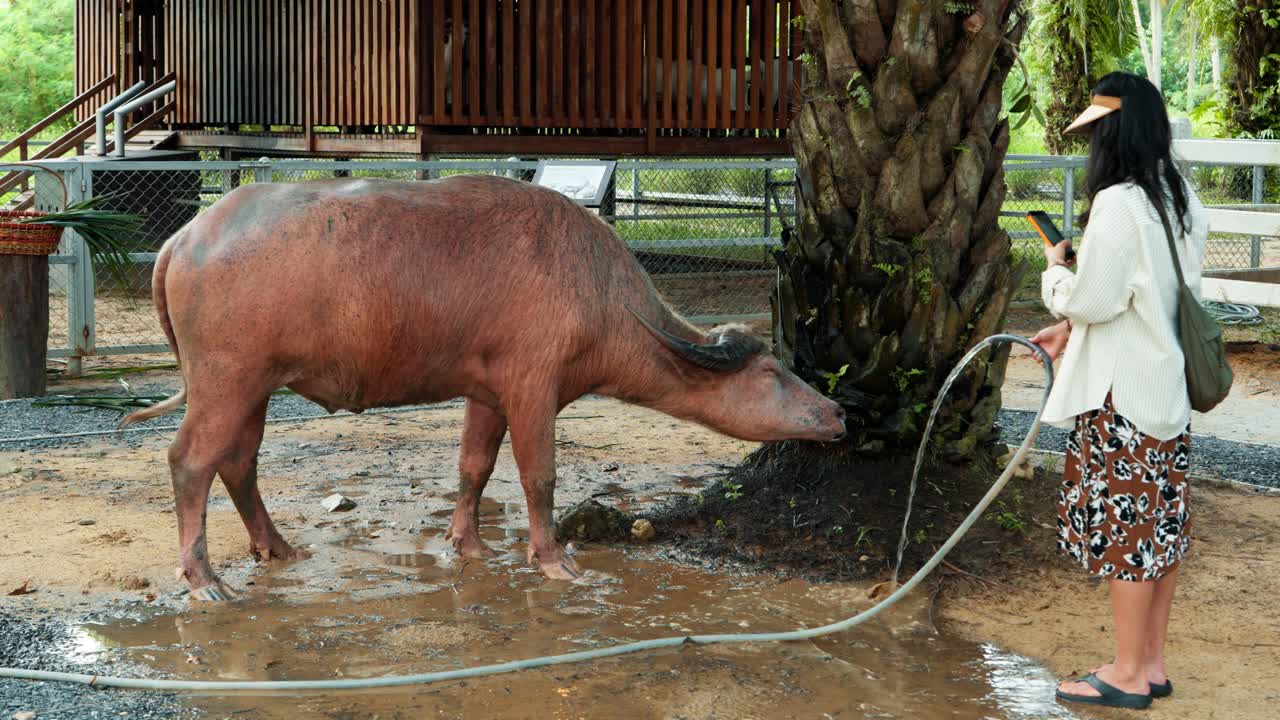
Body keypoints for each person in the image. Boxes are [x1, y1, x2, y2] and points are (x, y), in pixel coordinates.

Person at [1029, 71, 1208, 711]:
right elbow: (1148, 295)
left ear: (1111, 131)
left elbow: (1094, 299)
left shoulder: (1119, 203)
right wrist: (1071, 328)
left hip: (1121, 400)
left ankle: (1127, 673)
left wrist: (1055, 276)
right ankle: (1150, 663)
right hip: (1166, 390)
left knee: (1127, 535)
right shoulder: (1178, 194)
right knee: (1160, 531)